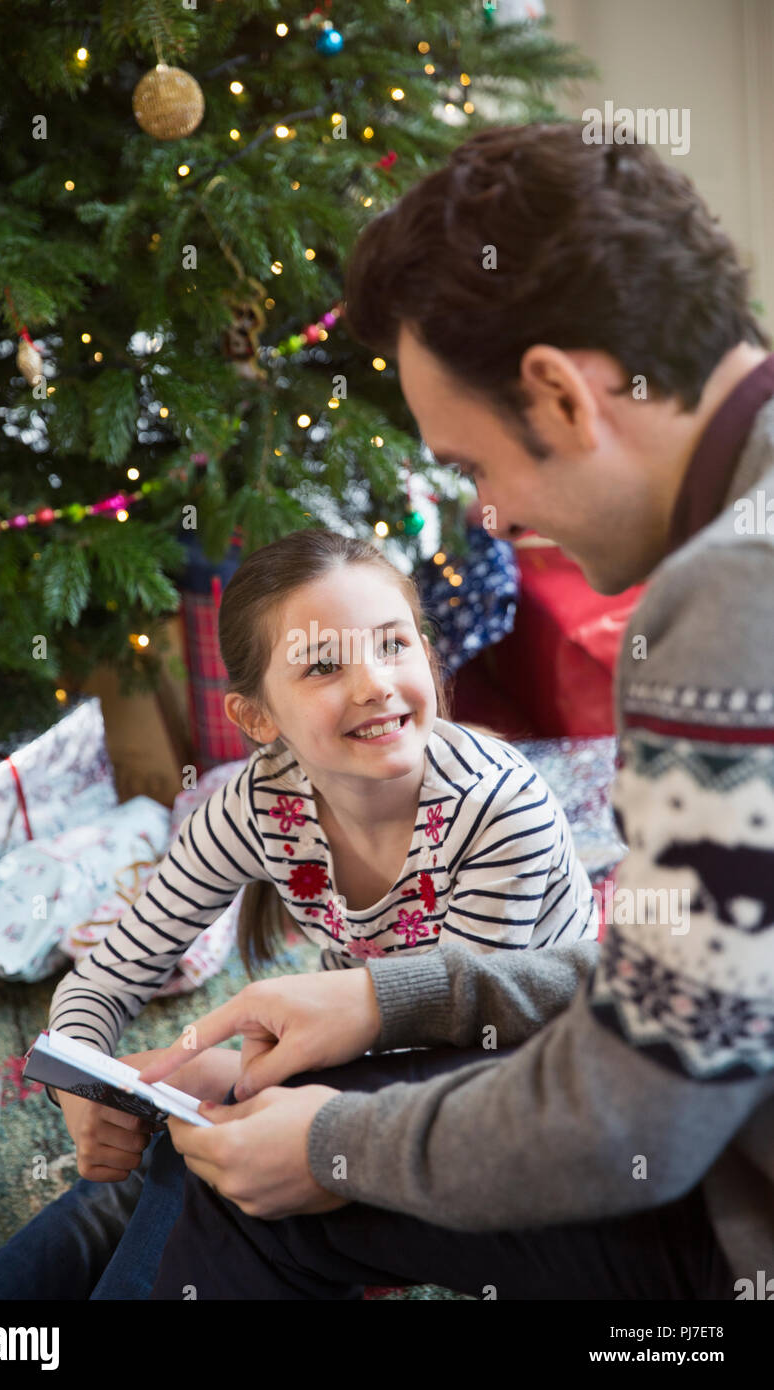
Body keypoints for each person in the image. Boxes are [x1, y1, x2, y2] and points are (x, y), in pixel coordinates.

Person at [138, 121, 774, 1300]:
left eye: (474, 466)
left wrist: (335, 1151)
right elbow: (703, 987)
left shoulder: (729, 601)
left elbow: (636, 1109)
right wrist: (389, 992)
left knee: (274, 1171)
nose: (489, 515)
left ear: (558, 394)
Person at [0, 525, 598, 1300]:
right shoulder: (256, 804)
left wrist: (233, 1078)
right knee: (172, 1153)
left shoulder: (502, 810)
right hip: (370, 1060)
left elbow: (460, 1037)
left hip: (500, 1099)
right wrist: (80, 1079)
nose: (375, 684)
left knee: (192, 1150)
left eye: (395, 645)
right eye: (323, 665)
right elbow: (112, 972)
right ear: (258, 719)